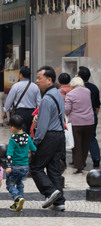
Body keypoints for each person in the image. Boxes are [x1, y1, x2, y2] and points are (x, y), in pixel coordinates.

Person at [31, 65, 66, 211]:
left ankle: (50, 191)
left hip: (49, 136)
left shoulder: (46, 99)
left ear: (49, 80)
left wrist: (35, 142)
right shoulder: (58, 94)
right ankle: (59, 202)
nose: (37, 81)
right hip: (59, 135)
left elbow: (43, 125)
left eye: (39, 78)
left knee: (35, 167)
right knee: (53, 168)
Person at [5, 114, 36, 212]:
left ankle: (17, 198)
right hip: (25, 167)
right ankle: (19, 203)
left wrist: (8, 166)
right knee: (19, 183)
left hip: (15, 166)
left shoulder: (12, 139)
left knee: (10, 184)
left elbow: (9, 154)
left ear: (13, 127)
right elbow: (34, 149)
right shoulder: (28, 137)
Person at [64, 76, 95, 175]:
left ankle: (79, 167)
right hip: (89, 121)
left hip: (76, 123)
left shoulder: (70, 94)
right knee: (85, 144)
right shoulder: (87, 91)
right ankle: (83, 162)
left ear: (72, 84)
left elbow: (67, 110)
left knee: (77, 145)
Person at [2, 66, 41, 134]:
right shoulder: (35, 87)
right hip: (31, 113)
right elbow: (39, 103)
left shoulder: (16, 86)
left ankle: (20, 144)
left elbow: (9, 100)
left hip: (19, 113)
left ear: (21, 75)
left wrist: (5, 111)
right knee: (30, 132)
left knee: (19, 132)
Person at [78, 66, 101, 168]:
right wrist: (94, 115)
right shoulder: (94, 88)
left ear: (79, 76)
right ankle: (96, 158)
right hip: (91, 115)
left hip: (79, 116)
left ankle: (79, 161)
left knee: (79, 138)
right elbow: (97, 105)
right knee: (92, 137)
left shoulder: (77, 89)